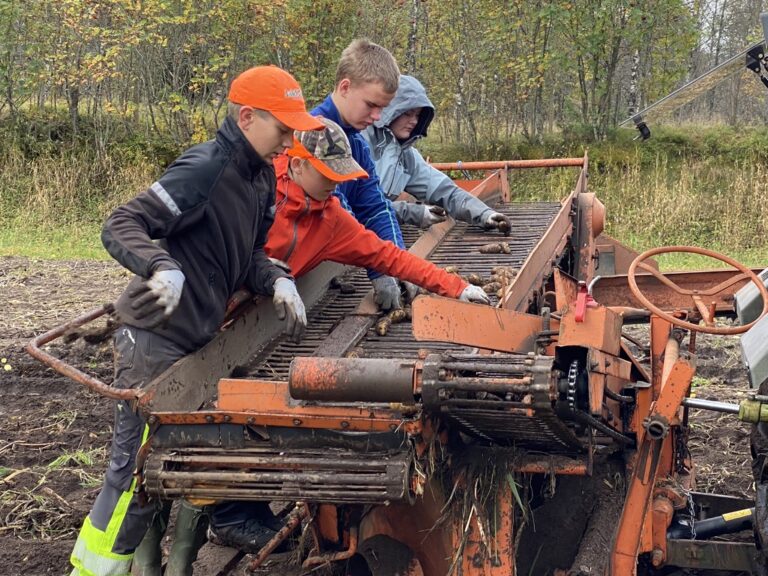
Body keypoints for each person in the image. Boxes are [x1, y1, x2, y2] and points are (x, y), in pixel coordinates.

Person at [69, 65, 322, 576]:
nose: (290, 140)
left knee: (173, 468)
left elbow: (247, 254)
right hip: (154, 338)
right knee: (136, 470)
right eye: (283, 127)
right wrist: (160, 265)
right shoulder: (204, 168)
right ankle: (94, 570)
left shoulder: (259, 185)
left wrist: (274, 278)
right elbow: (122, 223)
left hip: (198, 343)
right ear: (247, 117)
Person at [207, 117, 490, 553]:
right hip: (208, 309)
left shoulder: (332, 217)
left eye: (342, 175)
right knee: (202, 409)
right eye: (329, 174)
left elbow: (388, 255)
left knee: (250, 399)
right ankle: (215, 517)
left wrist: (456, 287)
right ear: (297, 163)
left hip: (258, 317)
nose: (336, 184)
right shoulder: (257, 188)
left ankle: (236, 510)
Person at [311, 38, 413, 312]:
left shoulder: (356, 142)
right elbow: (340, 218)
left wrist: (399, 263)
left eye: (383, 108)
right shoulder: (314, 138)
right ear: (345, 87)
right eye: (371, 105)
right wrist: (381, 269)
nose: (377, 117)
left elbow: (375, 208)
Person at [362, 74, 512, 233]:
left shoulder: (406, 157)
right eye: (407, 113)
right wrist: (413, 212)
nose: (414, 121)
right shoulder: (362, 141)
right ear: (389, 110)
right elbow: (359, 205)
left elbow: (447, 192)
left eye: (418, 115)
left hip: (376, 230)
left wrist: (485, 214)